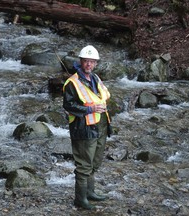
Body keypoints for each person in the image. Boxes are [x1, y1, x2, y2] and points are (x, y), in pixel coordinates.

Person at [62, 45, 111, 210]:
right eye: (86, 61)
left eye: (92, 61)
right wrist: (90, 109)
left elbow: (103, 98)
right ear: (80, 62)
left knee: (95, 162)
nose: (88, 64)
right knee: (84, 165)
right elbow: (68, 106)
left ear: (96, 63)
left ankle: (90, 193)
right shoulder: (72, 83)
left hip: (100, 126)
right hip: (83, 129)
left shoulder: (96, 78)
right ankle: (80, 199)